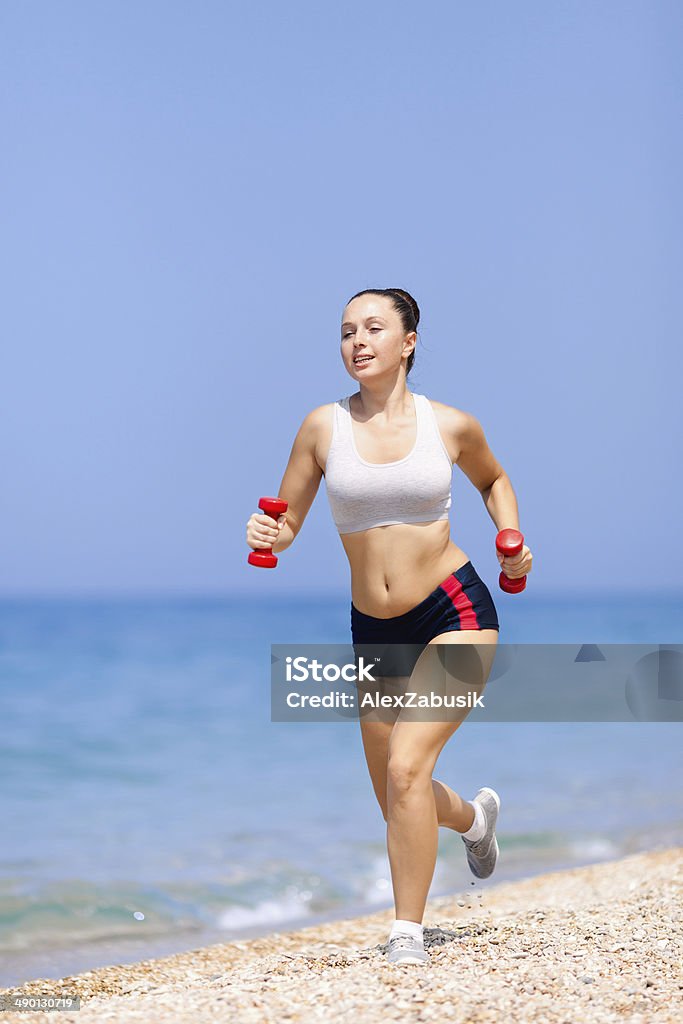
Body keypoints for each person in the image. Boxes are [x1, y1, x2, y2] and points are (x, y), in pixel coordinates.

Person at [246, 288, 533, 966]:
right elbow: (284, 520)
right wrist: (270, 533)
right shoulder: (322, 428)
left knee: (406, 769)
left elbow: (493, 481)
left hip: (453, 610)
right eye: (346, 331)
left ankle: (406, 935)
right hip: (373, 629)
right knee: (394, 794)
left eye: (373, 328)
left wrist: (511, 538)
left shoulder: (450, 425)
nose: (357, 341)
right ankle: (473, 818)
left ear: (408, 341)